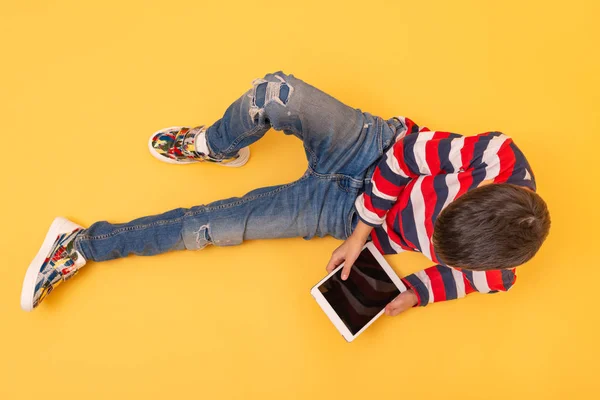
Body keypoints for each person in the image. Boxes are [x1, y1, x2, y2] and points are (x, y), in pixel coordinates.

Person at [20, 71, 551, 315]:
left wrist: (413, 293)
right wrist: (367, 228)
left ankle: (81, 244)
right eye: (442, 222)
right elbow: (406, 157)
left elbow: (456, 281)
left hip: (341, 214)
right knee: (274, 94)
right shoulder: (497, 157)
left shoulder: (497, 267)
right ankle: (216, 143)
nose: (431, 237)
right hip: (373, 151)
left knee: (212, 228)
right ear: (479, 192)